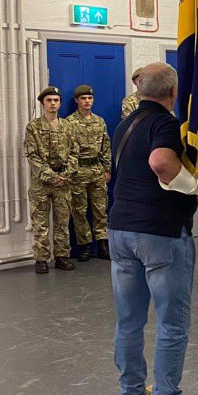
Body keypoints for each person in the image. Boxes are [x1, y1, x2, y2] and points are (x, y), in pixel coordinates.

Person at [108, 62, 198, 395]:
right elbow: (161, 162)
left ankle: (132, 394)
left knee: (130, 320)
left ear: (140, 90)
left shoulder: (124, 124)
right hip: (160, 234)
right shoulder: (165, 123)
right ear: (173, 92)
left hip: (120, 231)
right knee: (172, 321)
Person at [24, 86, 79, 274]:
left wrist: (65, 175)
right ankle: (41, 259)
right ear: (42, 103)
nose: (53, 104)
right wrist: (51, 176)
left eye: (56, 100)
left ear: (60, 103)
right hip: (41, 183)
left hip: (63, 181)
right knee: (40, 222)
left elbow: (74, 152)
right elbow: (32, 155)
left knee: (62, 221)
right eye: (49, 100)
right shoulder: (33, 127)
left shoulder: (68, 126)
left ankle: (62, 256)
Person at [67, 84, 111, 262]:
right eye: (83, 98)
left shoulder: (99, 121)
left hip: (97, 170)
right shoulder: (69, 123)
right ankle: (85, 246)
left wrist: (107, 168)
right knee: (79, 210)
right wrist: (72, 171)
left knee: (101, 209)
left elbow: (106, 146)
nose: (87, 101)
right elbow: (67, 149)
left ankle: (102, 244)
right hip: (79, 171)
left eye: (90, 98)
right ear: (77, 100)